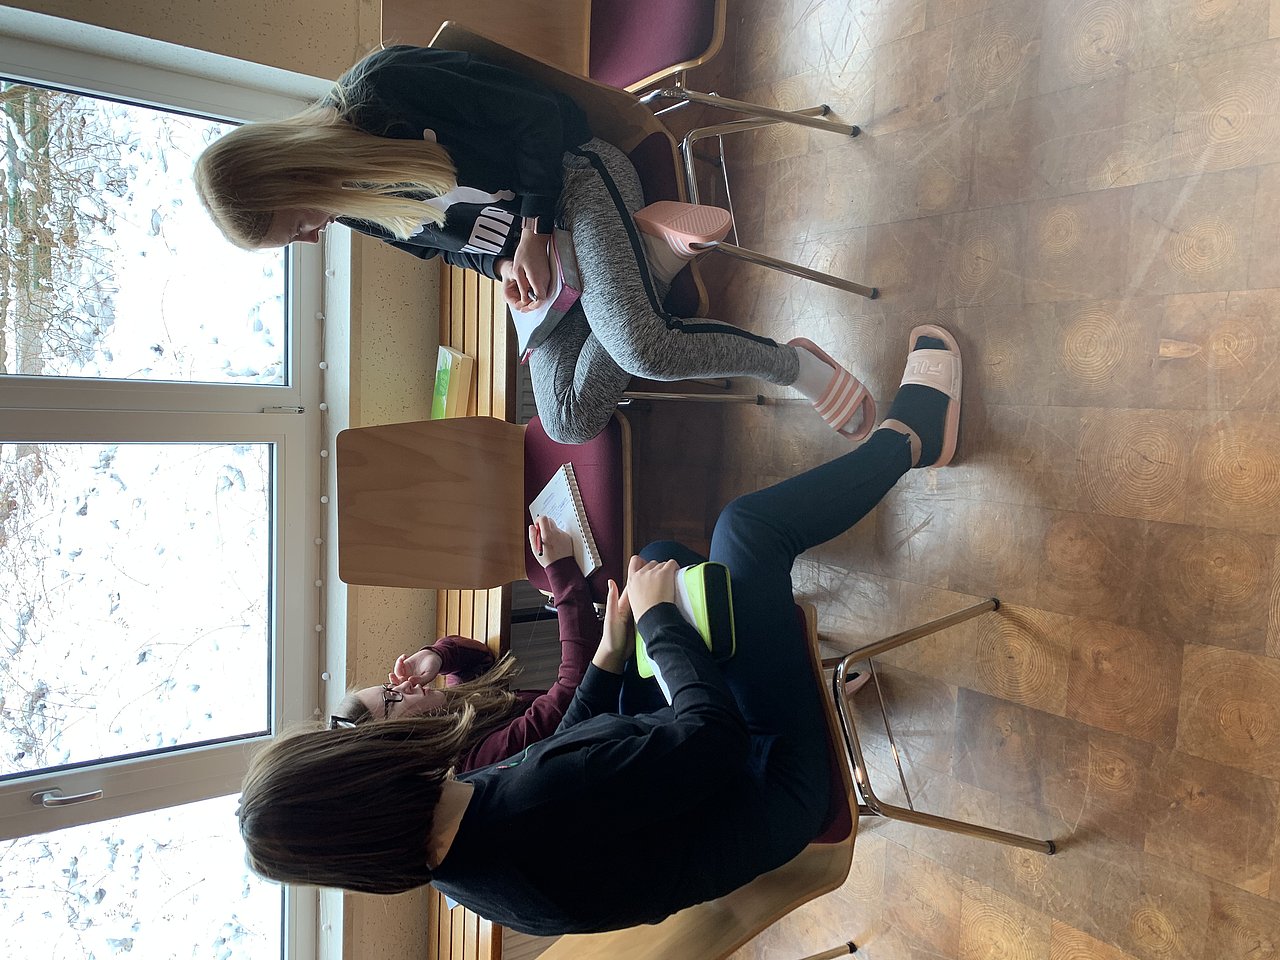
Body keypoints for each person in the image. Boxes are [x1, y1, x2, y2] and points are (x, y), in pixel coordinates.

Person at [236, 326, 961, 934]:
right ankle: (911, 439)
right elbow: (709, 739)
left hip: (716, 778)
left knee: (669, 561)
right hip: (769, 778)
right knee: (746, 532)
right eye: (362, 740)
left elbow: (565, 741)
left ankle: (794, 663)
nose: (381, 727)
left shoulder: (449, 834)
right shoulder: (514, 811)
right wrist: (658, 623)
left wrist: (612, 654)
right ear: (368, 782)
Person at [193, 44, 875, 445]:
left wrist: (534, 231)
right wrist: (502, 267)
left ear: (292, 173)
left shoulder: (383, 89)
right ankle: (651, 260)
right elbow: (444, 247)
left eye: (297, 223)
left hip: (576, 180)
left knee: (641, 347)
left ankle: (796, 366)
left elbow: (540, 119)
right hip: (544, 256)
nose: (313, 235)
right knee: (567, 420)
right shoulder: (350, 205)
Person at [328, 515, 604, 773]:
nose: (405, 685)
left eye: (389, 687)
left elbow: (479, 661)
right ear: (400, 744)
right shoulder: (477, 761)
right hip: (616, 718)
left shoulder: (452, 718)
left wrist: (436, 656)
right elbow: (574, 690)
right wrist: (560, 569)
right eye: (392, 700)